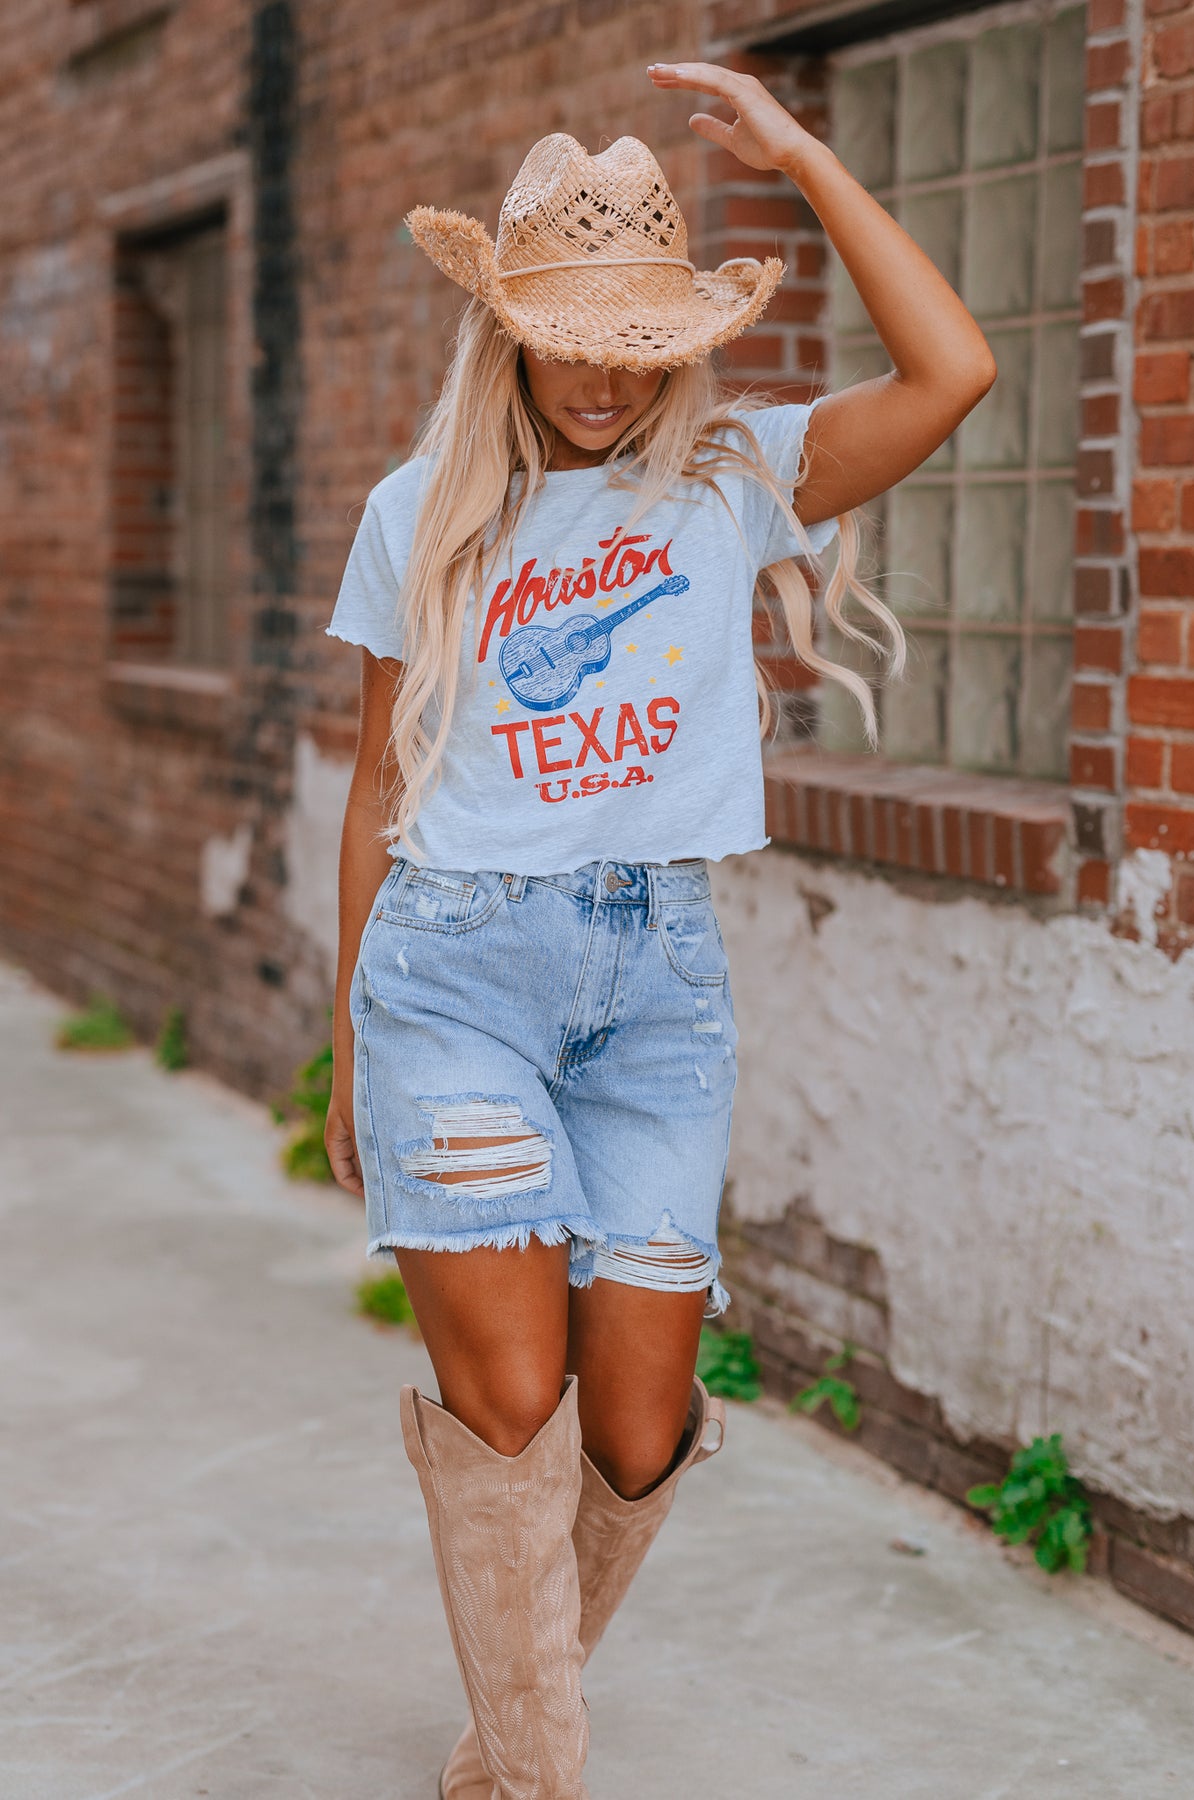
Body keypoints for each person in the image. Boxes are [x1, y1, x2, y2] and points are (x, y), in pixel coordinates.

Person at [324, 60, 994, 1800]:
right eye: (571, 338)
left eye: (639, 342)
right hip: (454, 980)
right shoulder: (419, 512)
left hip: (656, 994)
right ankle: (537, 1773)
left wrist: (805, 158)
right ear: (505, 327)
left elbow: (954, 372)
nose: (606, 376)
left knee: (633, 1426)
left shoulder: (732, 476)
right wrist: (345, 1051)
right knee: (510, 1406)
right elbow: (376, 788)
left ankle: (504, 1736)